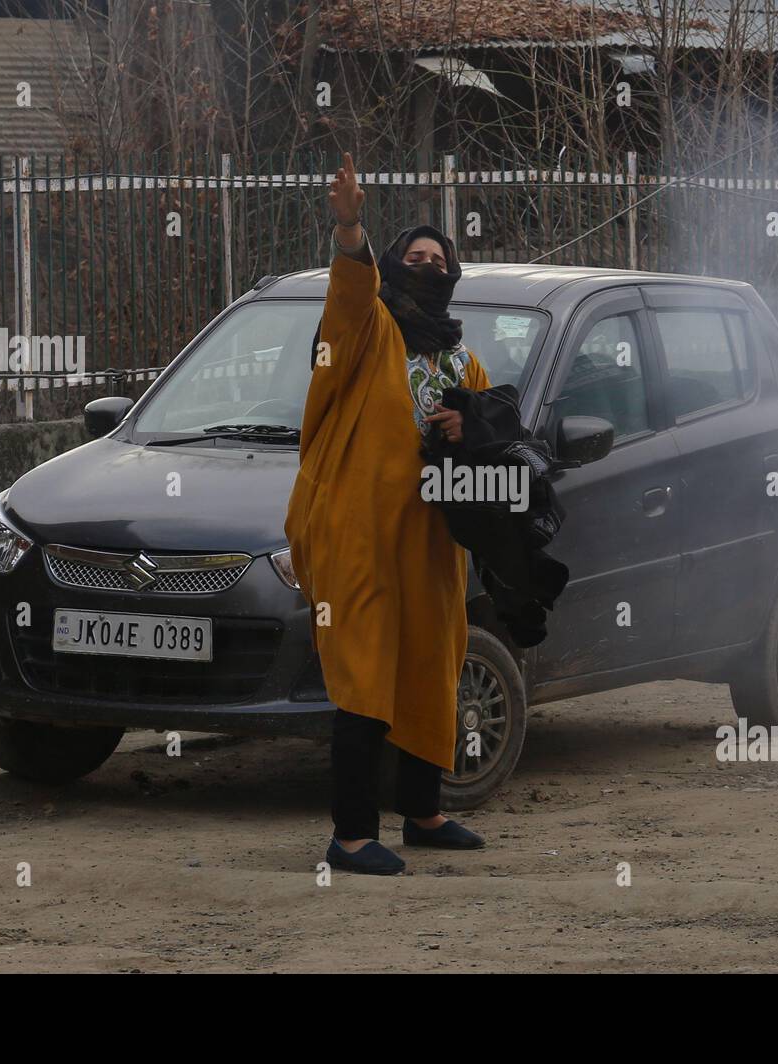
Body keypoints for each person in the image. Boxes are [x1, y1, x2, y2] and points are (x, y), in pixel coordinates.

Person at [284, 152, 492, 875]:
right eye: (416, 254)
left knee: (433, 666)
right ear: (395, 264)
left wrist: (471, 429)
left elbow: (491, 432)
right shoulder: (370, 327)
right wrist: (350, 227)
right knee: (367, 676)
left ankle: (425, 814)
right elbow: (351, 287)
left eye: (440, 259)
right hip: (360, 531)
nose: (429, 265)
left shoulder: (463, 361)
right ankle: (349, 837)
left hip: (431, 539)